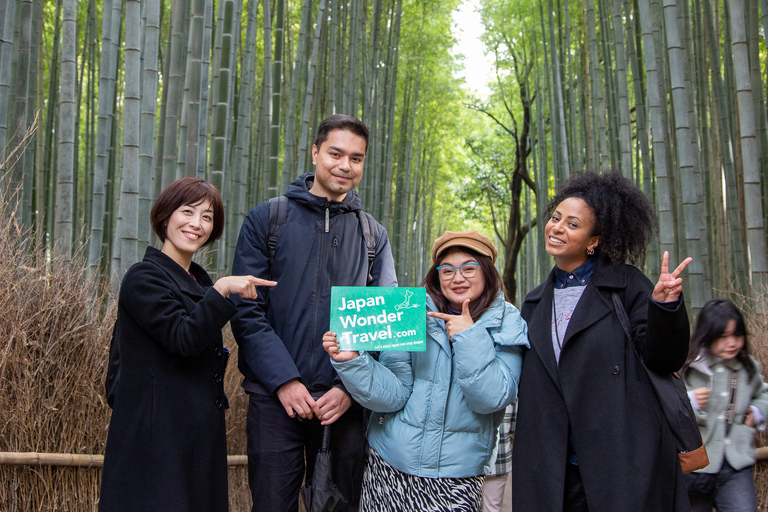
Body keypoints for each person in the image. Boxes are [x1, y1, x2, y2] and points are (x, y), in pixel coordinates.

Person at [230, 114, 398, 512]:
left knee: (340, 506)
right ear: (315, 152)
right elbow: (247, 311)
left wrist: (348, 390)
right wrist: (284, 380)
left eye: (356, 158)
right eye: (335, 153)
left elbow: (384, 322)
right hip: (275, 400)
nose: (345, 165)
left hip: (343, 404)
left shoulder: (372, 234)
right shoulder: (268, 219)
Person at [512, 170, 693, 512]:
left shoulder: (627, 286)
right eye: (555, 218)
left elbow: (664, 358)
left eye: (572, 224)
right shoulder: (535, 303)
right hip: (553, 465)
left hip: (620, 457)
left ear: (594, 240)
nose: (557, 228)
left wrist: (665, 307)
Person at [100, 178, 275, 512]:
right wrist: (222, 289)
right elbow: (184, 339)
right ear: (166, 217)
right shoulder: (144, 277)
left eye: (207, 217)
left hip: (196, 437)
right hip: (156, 442)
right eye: (188, 211)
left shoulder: (199, 281)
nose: (197, 223)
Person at [323, 230, 529, 512]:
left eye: (469, 268)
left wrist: (468, 337)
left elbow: (491, 398)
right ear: (436, 276)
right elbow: (393, 395)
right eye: (447, 270)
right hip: (390, 464)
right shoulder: (410, 312)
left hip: (458, 476)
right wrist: (353, 361)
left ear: (488, 271)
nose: (457, 278)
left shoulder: (508, 320)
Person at [682, 299, 768, 512]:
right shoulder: (687, 367)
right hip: (695, 466)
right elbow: (665, 406)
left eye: (737, 336)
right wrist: (689, 400)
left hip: (736, 465)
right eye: (723, 336)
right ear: (706, 334)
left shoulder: (748, 367)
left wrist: (757, 412)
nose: (732, 343)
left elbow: (763, 394)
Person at [482, 402, 516, 512]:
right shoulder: (510, 391)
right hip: (500, 460)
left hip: (472, 460)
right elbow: (515, 427)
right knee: (492, 507)